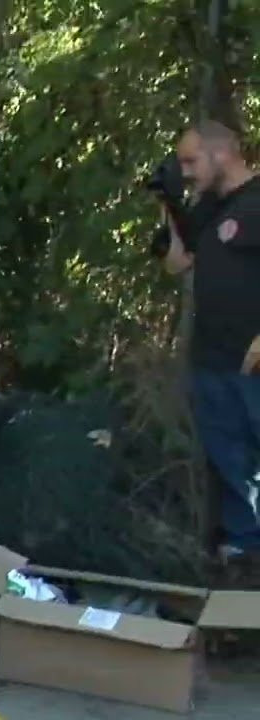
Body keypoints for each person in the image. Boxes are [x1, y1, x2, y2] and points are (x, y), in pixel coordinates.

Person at [159, 119, 260, 562]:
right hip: (212, 357)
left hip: (254, 357)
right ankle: (246, 547)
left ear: (221, 154)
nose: (185, 171)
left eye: (190, 161)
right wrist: (169, 202)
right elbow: (177, 262)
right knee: (230, 456)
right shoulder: (208, 207)